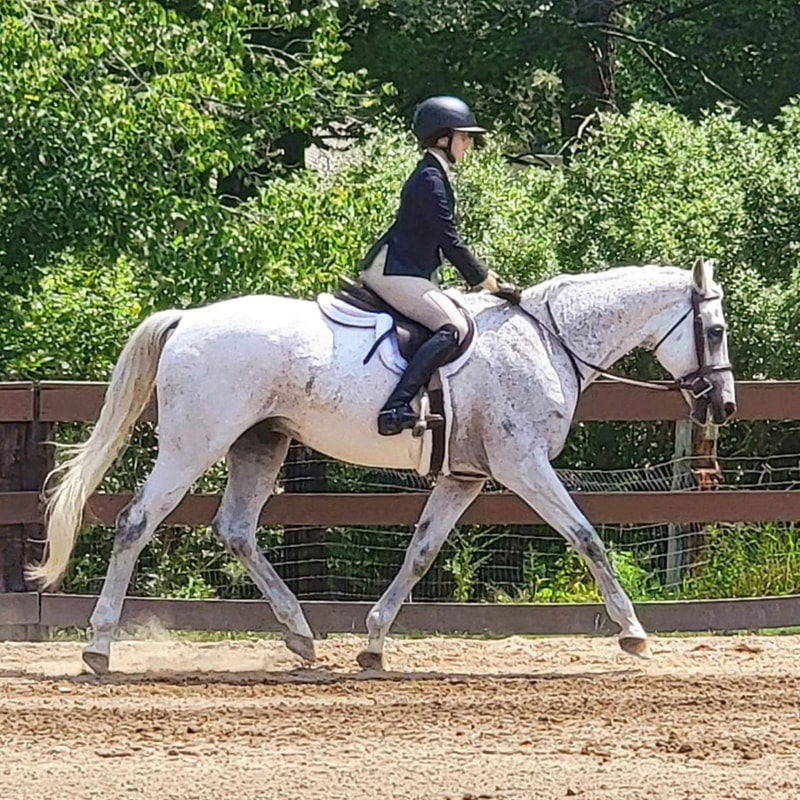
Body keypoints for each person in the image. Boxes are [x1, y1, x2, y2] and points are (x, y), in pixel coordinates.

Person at [358, 95, 521, 436]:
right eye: (464, 137)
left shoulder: (435, 174)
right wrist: (487, 281)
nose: (468, 145)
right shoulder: (430, 180)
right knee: (452, 328)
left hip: (408, 269)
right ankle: (396, 406)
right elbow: (449, 240)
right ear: (442, 138)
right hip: (394, 271)